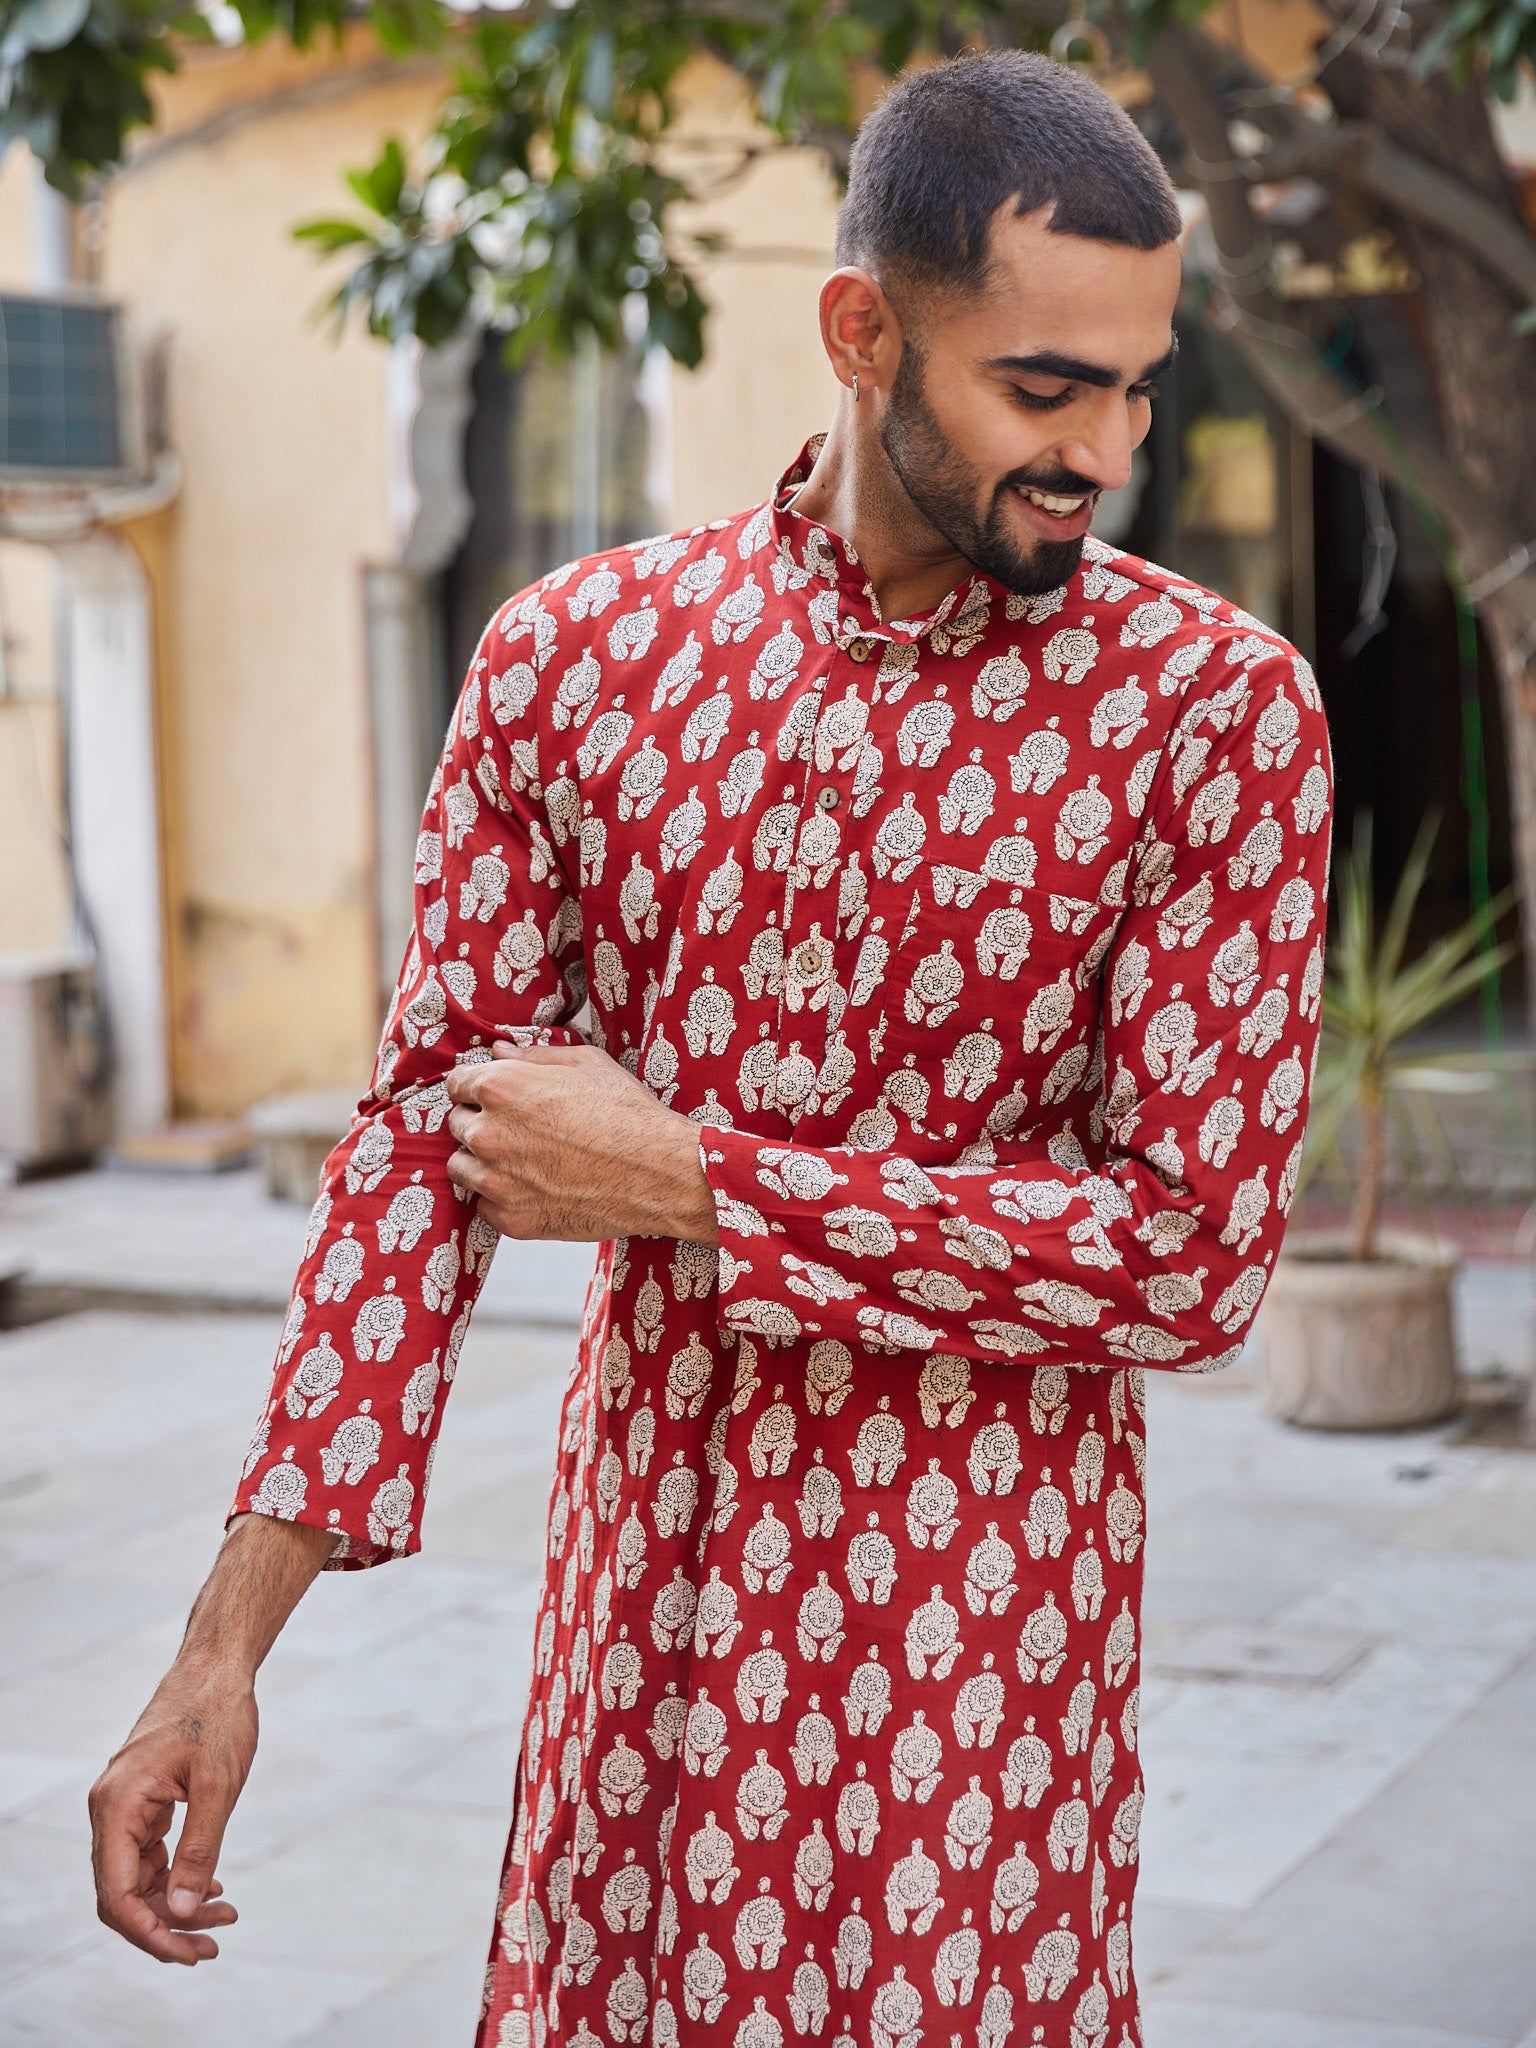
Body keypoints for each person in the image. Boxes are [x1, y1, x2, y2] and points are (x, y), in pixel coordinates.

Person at [90, 48, 1331, 2048]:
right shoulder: (576, 662)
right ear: (860, 331)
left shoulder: (1213, 712)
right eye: (1044, 387)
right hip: (638, 1644)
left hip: (972, 1678)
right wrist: (221, 1645)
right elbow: (419, 1154)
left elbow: (1191, 1256)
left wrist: (698, 1183)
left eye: (1137, 387)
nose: (1104, 450)